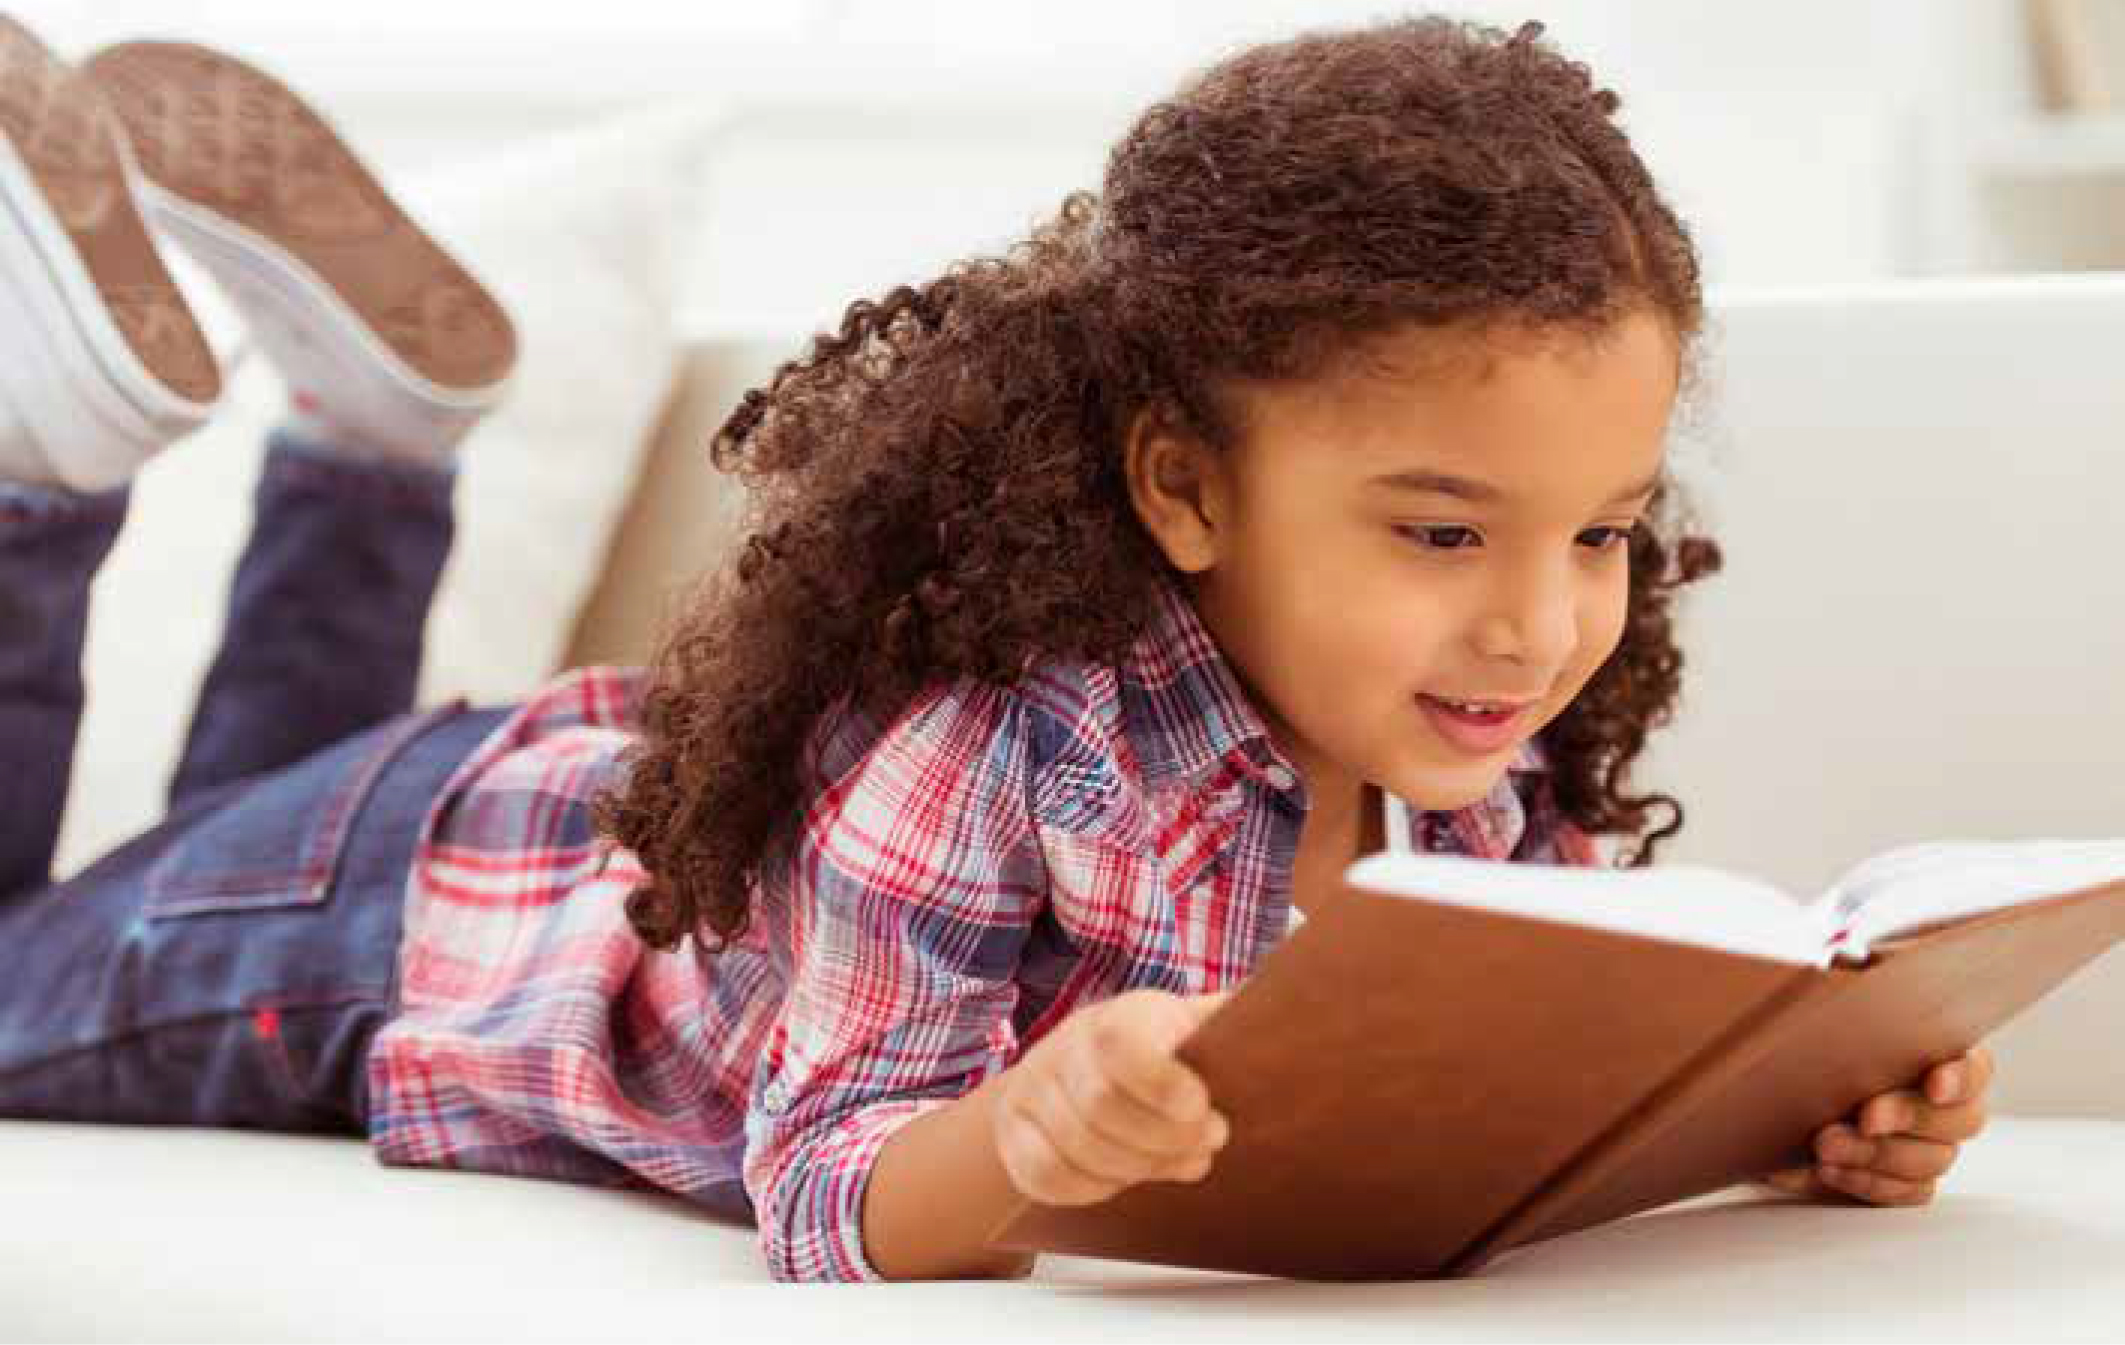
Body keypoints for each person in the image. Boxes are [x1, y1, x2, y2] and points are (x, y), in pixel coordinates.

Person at [0, 13, 1996, 1284]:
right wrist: (1015, 1146)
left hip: (472, 809)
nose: (1537, 619)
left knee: (195, 826)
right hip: (394, 918)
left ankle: (374, 443)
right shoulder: (991, 747)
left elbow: (1515, 1102)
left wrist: (1797, 1119)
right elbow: (822, 1193)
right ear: (1184, 488)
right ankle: (57, 464)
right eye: (1441, 529)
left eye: (1599, 534)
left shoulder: (1466, 748)